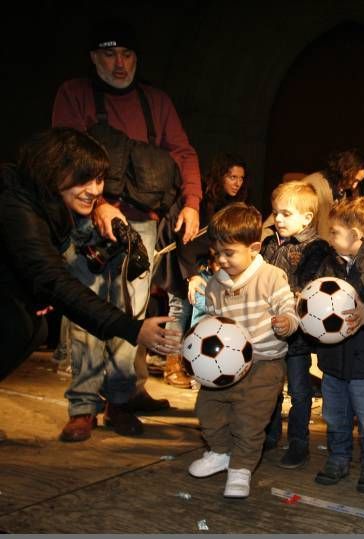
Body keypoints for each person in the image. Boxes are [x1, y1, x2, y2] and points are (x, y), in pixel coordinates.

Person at [51, 19, 202, 438]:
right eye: (109, 54)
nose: (120, 64)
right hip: (89, 223)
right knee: (85, 313)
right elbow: (63, 151)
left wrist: (191, 203)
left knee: (132, 316)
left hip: (143, 225)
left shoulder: (156, 101)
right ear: (93, 57)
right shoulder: (74, 94)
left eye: (127, 54)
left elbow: (183, 151)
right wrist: (97, 204)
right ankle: (83, 406)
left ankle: (119, 401)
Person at [0, 128, 180, 386]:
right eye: (84, 179)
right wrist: (133, 329)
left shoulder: (48, 204)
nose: (95, 190)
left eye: (99, 180)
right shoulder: (16, 205)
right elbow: (52, 280)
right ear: (53, 170)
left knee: (32, 328)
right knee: (18, 325)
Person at [187, 203, 299, 498]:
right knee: (207, 412)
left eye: (229, 253)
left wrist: (287, 322)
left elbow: (289, 307)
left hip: (264, 365)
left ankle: (241, 468)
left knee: (249, 422)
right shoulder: (215, 284)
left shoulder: (271, 277)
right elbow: (210, 322)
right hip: (222, 368)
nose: (221, 260)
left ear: (254, 247)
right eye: (217, 254)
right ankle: (221, 452)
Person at [305, 197, 364, 494]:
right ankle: (338, 457)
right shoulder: (328, 264)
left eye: (334, 232)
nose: (329, 238)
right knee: (334, 415)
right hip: (333, 360)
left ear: (356, 235)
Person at [157, 153, 248, 389]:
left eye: (240, 178)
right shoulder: (200, 201)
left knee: (198, 314)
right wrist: (192, 275)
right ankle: (172, 365)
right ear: (220, 177)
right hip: (180, 260)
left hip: (204, 266)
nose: (237, 182)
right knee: (179, 309)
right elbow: (185, 238)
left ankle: (192, 363)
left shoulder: (233, 205)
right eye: (232, 176)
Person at [260, 181, 329, 469]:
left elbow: (307, 285)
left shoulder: (316, 248)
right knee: (271, 386)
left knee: (299, 391)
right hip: (269, 329)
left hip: (297, 334)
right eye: (276, 213)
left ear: (307, 218)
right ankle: (270, 433)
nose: (278, 219)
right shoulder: (268, 244)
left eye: (286, 214)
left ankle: (298, 441)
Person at [302, 149, 364, 242]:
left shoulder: (341, 192)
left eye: (358, 182)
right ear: (345, 172)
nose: (354, 186)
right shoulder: (314, 186)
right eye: (354, 179)